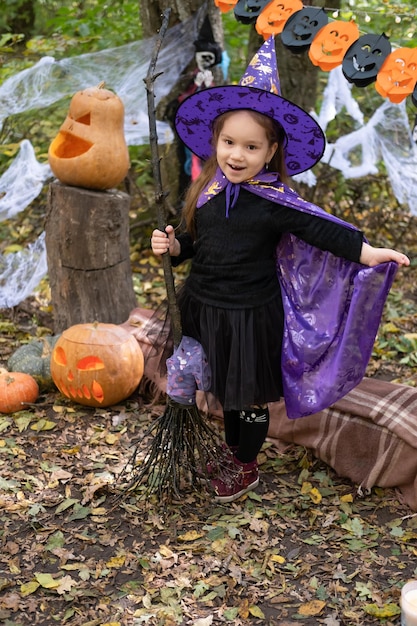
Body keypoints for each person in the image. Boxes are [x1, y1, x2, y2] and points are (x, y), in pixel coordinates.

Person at [151, 37, 410, 504]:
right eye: (229, 142)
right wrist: (173, 247)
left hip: (250, 314)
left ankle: (244, 464)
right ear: (215, 142)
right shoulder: (206, 192)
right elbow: (194, 243)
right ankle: (232, 451)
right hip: (205, 306)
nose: (236, 154)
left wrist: (367, 252)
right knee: (223, 388)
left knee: (247, 394)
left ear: (270, 152)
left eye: (250, 146)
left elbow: (320, 229)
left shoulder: (273, 203)